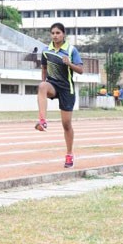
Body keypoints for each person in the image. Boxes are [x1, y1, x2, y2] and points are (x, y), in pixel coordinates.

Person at [35, 22, 84, 169]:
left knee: (66, 124)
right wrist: (44, 83)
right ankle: (42, 121)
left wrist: (69, 64)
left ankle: (69, 154)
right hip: (53, 85)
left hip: (66, 89)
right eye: (53, 33)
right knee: (42, 86)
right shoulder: (46, 51)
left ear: (63, 34)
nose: (55, 36)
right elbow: (44, 68)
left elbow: (81, 70)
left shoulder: (70, 50)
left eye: (58, 33)